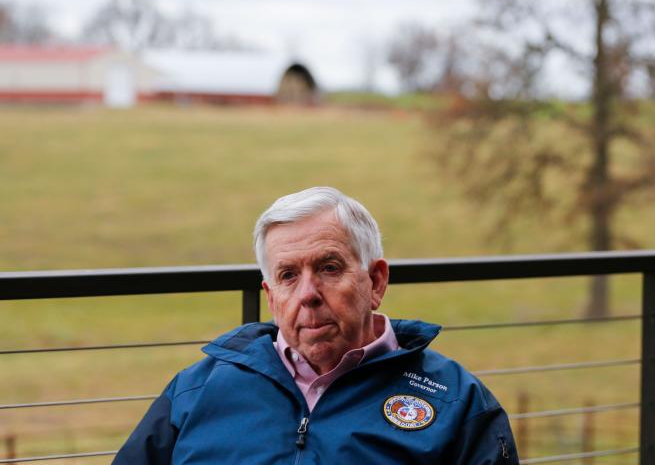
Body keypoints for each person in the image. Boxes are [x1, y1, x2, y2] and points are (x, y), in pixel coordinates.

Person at [114, 186, 519, 464]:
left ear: (375, 282)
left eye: (329, 268)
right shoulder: (196, 393)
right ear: (271, 297)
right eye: (288, 275)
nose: (308, 293)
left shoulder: (456, 403)